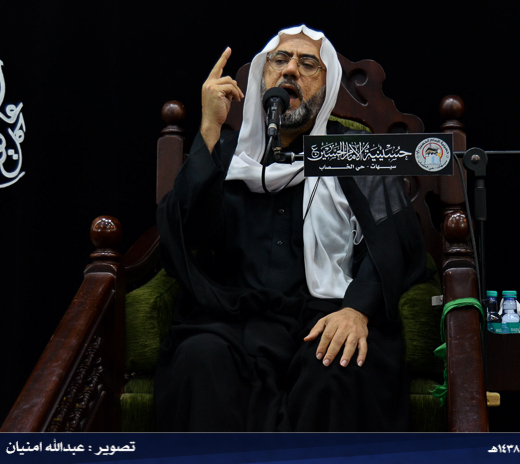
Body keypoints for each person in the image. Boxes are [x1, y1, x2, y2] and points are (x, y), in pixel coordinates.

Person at [154, 25, 427, 432]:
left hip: (324, 316)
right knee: (199, 359)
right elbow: (189, 231)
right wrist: (209, 129)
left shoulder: (352, 154)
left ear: (327, 85)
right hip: (233, 319)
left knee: (338, 367)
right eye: (279, 60)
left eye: (308, 64)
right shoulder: (228, 154)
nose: (290, 71)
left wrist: (357, 309)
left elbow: (394, 242)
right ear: (263, 77)